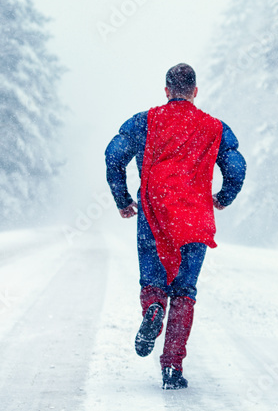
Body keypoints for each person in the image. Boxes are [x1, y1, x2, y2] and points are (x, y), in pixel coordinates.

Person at [105, 63, 246, 390]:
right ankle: (172, 369)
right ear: (195, 91)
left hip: (154, 215)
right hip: (194, 220)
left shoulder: (144, 121)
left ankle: (153, 308)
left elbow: (114, 155)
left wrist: (122, 198)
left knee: (154, 282)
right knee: (184, 292)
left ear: (167, 90)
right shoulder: (215, 127)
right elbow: (236, 167)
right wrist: (224, 197)